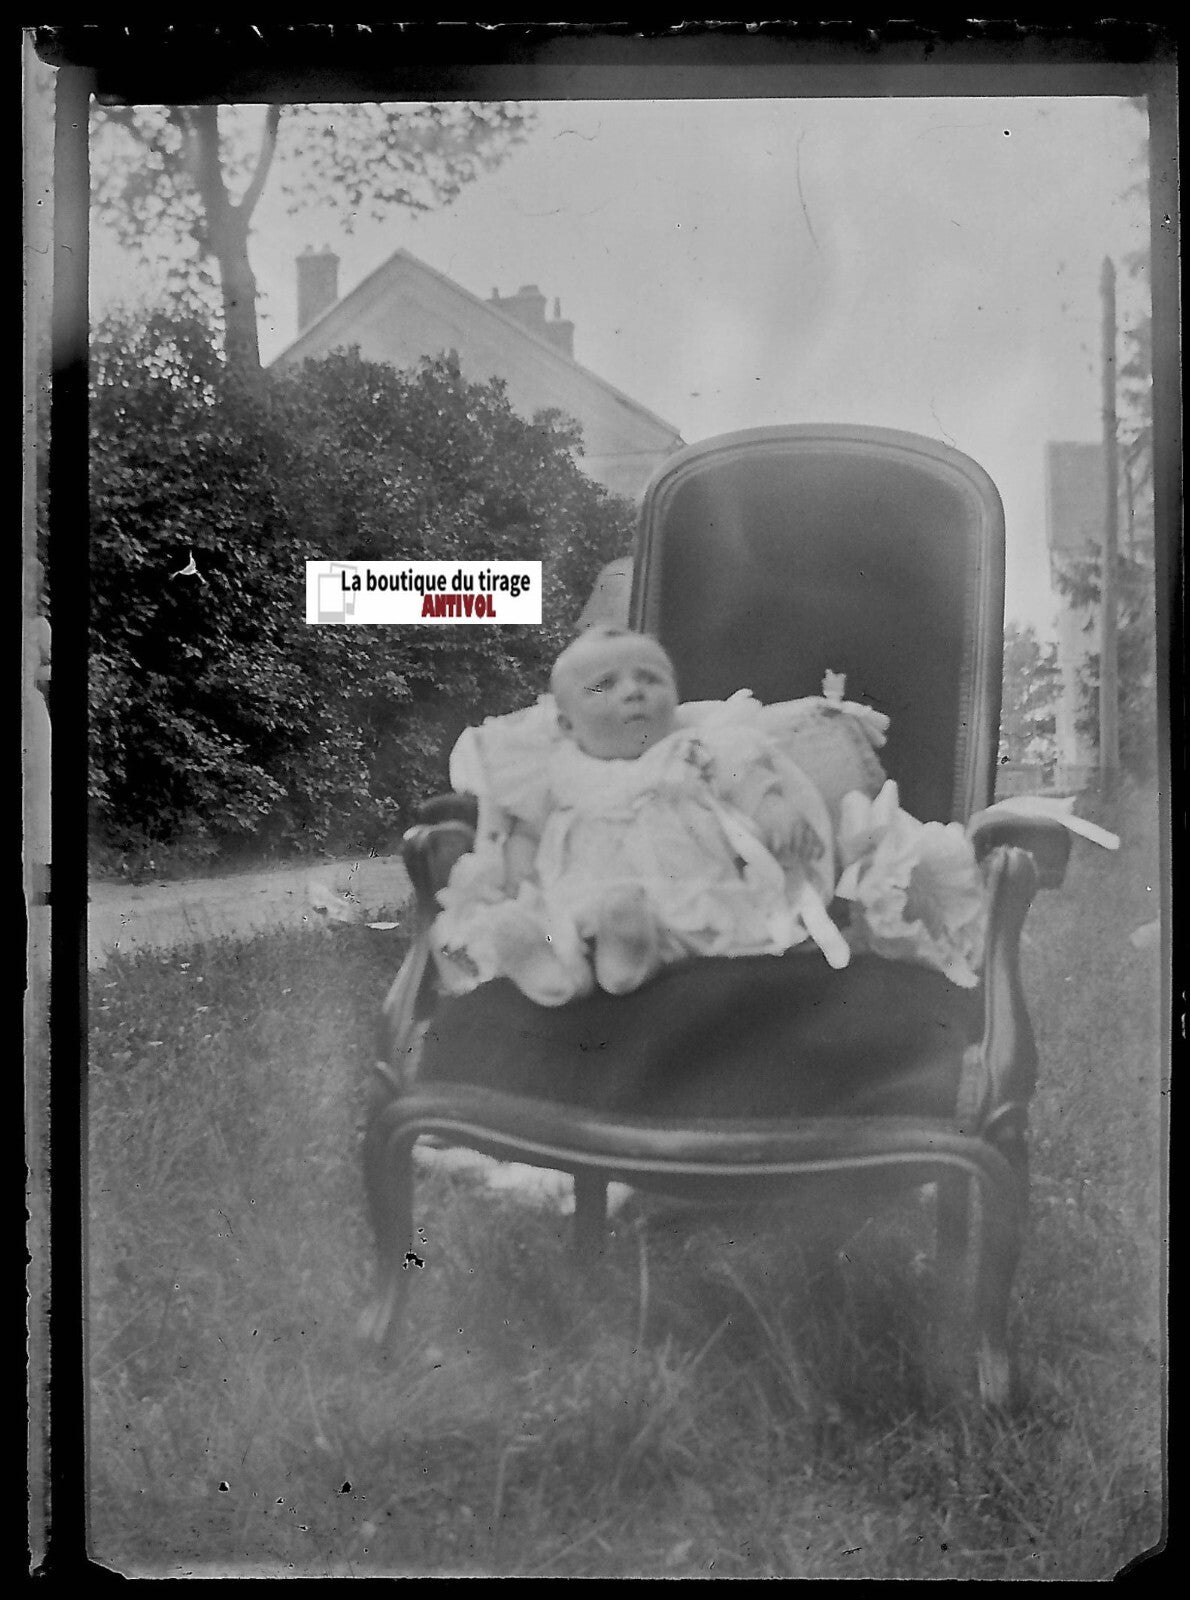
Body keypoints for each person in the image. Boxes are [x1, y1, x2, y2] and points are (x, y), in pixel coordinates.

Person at [431, 627, 849, 1006]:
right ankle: (546, 968)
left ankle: (631, 949)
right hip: (578, 890)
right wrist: (516, 876)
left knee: (661, 921)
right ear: (566, 723)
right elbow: (527, 832)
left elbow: (744, 777)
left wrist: (776, 812)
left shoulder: (693, 747)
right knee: (557, 919)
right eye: (605, 685)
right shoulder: (556, 771)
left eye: (650, 679)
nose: (634, 691)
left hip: (682, 885)